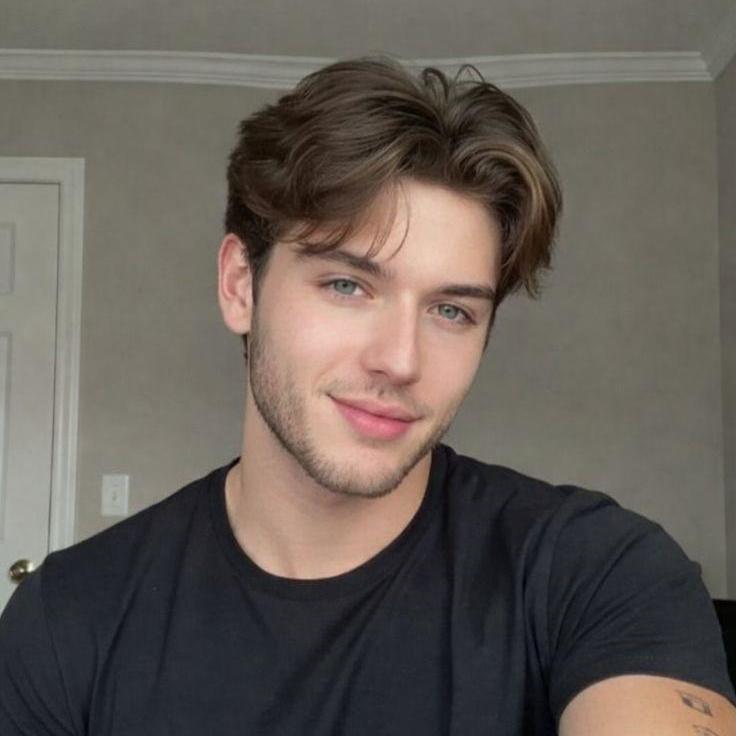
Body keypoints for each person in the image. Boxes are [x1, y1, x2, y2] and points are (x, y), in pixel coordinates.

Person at [1, 57, 734, 736]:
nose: (401, 360)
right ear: (240, 286)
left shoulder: (598, 572)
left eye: (452, 310)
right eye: (348, 285)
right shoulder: (69, 617)